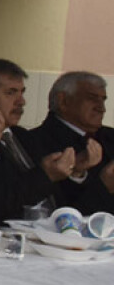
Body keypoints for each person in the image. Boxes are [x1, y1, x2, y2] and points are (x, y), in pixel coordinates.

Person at [0, 59, 75, 230]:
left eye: (22, 92)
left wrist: (77, 171)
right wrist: (45, 176)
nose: (21, 102)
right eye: (11, 93)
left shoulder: (22, 136)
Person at [28, 72, 114, 214]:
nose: (101, 108)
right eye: (92, 99)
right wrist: (103, 186)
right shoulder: (35, 142)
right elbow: (56, 210)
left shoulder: (110, 137)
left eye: (103, 100)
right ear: (63, 101)